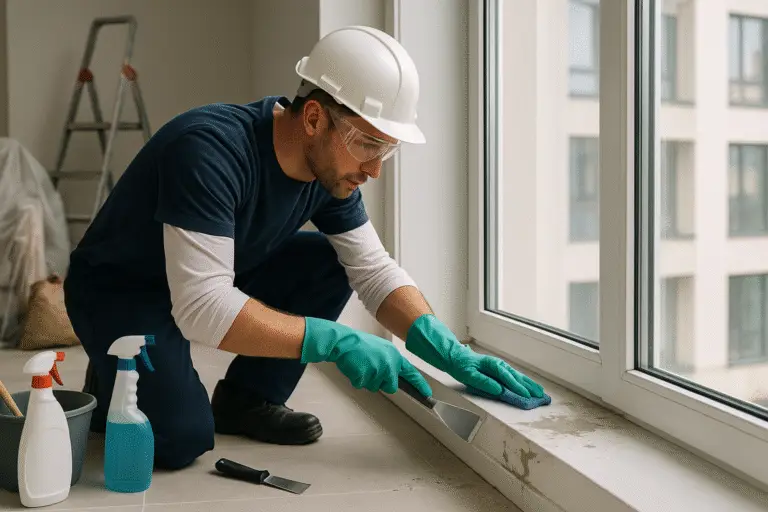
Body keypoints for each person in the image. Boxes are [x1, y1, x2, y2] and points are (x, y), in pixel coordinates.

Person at [63, 25, 545, 470]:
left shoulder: (328, 171)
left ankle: (248, 399)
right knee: (179, 440)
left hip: (209, 274)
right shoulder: (209, 149)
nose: (375, 169)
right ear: (314, 117)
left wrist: (449, 351)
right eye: (367, 144)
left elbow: (372, 270)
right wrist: (335, 341)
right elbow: (203, 309)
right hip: (122, 290)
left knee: (327, 260)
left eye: (386, 150)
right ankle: (111, 379)